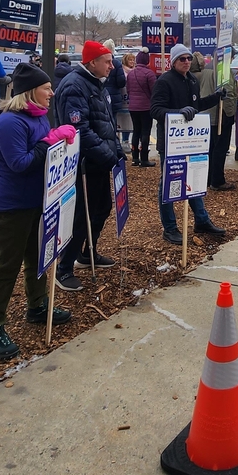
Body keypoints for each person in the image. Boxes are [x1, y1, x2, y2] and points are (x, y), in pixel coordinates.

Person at [0, 63, 75, 360]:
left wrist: (55, 139)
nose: (52, 92)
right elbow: (20, 163)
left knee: (39, 257)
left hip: (37, 201)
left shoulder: (38, 118)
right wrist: (50, 141)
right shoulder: (9, 123)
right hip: (11, 207)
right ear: (31, 92)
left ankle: (37, 304)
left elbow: (45, 154)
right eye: (47, 88)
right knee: (6, 266)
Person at [53, 41, 125, 289]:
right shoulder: (74, 86)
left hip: (99, 162)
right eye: (107, 61)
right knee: (81, 216)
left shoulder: (98, 84)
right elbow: (78, 130)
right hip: (84, 165)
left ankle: (86, 253)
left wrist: (115, 149)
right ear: (92, 62)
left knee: (101, 209)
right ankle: (64, 267)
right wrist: (107, 154)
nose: (112, 65)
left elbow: (105, 122)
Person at [150, 42, 227, 244]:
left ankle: (201, 220)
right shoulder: (164, 82)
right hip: (170, 142)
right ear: (173, 62)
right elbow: (156, 110)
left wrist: (215, 98)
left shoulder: (192, 80)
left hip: (190, 141)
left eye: (188, 58)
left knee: (193, 180)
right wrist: (178, 113)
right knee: (169, 184)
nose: (186, 62)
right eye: (182, 59)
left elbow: (196, 106)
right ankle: (170, 228)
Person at [199, 51, 237, 190]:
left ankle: (208, 178)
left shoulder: (207, 67)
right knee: (220, 148)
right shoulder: (224, 71)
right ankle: (217, 180)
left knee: (210, 148)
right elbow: (228, 93)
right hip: (220, 114)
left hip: (206, 113)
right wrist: (230, 112)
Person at [125, 49, 157, 166]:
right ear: (147, 61)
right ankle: (144, 158)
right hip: (146, 107)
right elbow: (154, 91)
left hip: (133, 106)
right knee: (145, 132)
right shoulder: (149, 74)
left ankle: (135, 158)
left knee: (136, 131)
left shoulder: (131, 73)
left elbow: (128, 89)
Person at [115, 54, 134, 144]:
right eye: (130, 60)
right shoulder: (122, 70)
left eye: (133, 60)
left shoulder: (134, 71)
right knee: (120, 122)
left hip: (130, 100)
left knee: (128, 122)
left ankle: (125, 140)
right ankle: (121, 141)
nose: (132, 62)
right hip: (122, 99)